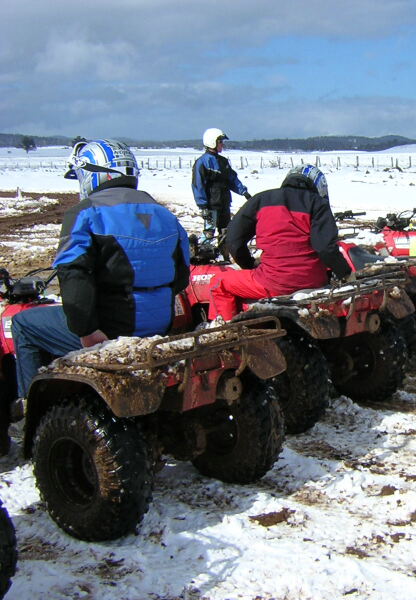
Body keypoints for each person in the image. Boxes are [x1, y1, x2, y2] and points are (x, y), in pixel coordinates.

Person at [3, 140, 190, 455]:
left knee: (24, 323)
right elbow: (181, 275)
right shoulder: (163, 213)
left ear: (95, 174)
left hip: (110, 328)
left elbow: (73, 275)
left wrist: (88, 330)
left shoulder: (86, 213)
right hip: (158, 322)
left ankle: (28, 411)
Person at [207, 164, 353, 321]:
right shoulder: (318, 204)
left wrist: (249, 265)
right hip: (315, 282)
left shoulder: (261, 200)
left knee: (219, 282)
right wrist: (345, 273)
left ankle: (226, 333)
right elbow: (325, 248)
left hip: (274, 283)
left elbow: (233, 240)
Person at [191, 128, 251, 243]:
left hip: (224, 204)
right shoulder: (202, 162)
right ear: (212, 142)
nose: (222, 144)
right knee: (209, 232)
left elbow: (232, 179)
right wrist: (202, 206)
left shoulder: (223, 162)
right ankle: (203, 255)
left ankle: (225, 256)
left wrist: (243, 191)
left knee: (225, 232)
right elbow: (198, 185)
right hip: (211, 206)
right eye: (220, 142)